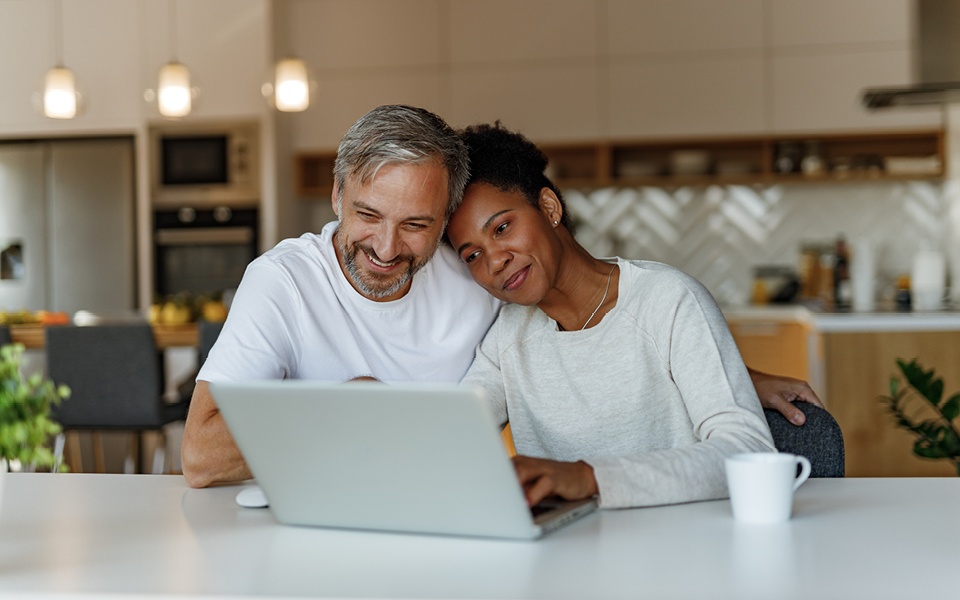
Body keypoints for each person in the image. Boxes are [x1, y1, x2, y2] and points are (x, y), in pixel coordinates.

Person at [181, 105, 821, 489]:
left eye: (416, 225)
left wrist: (725, 374)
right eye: (472, 253)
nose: (493, 261)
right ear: (337, 199)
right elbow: (450, 423)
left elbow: (731, 438)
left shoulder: (656, 298)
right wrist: (353, 412)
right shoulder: (503, 324)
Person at [448, 122, 776, 508]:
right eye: (472, 255)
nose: (495, 260)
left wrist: (589, 478)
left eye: (503, 227)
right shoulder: (507, 337)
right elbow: (453, 438)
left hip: (682, 548)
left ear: (549, 208)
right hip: (566, 555)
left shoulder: (667, 300)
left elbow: (747, 449)